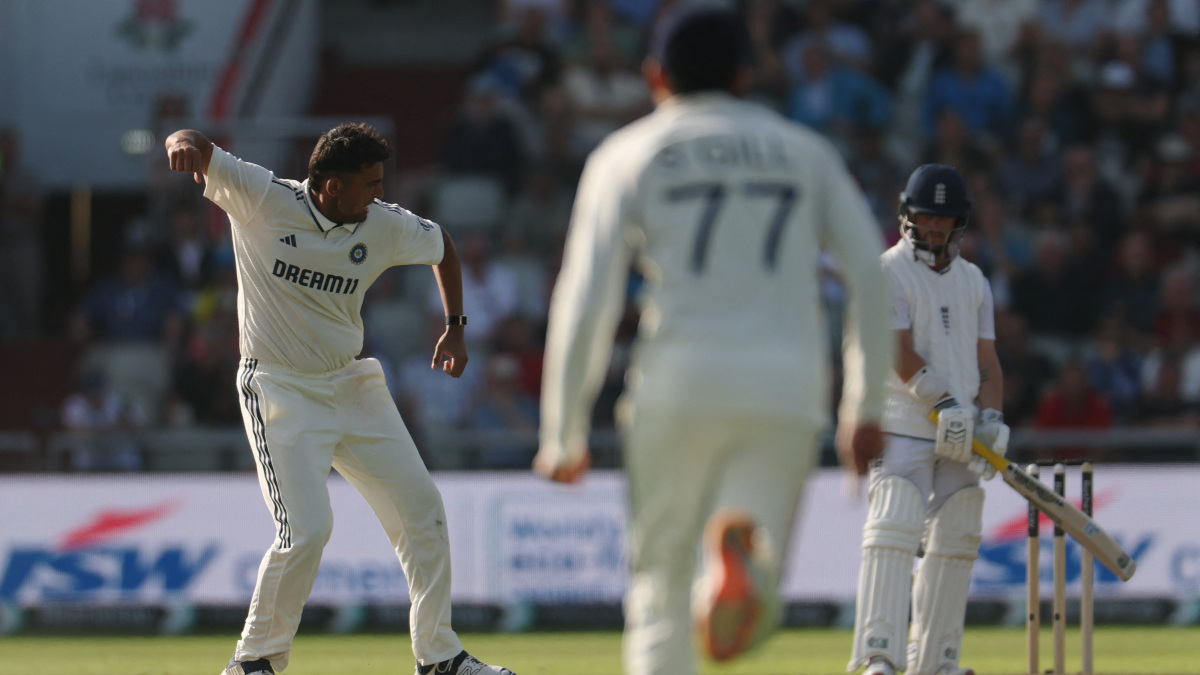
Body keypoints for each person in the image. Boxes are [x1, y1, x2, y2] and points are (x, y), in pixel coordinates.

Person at [532, 8, 894, 675]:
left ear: (655, 76)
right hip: (785, 390)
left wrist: (564, 431)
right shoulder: (804, 151)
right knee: (756, 573)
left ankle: (713, 589)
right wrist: (866, 406)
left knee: (659, 587)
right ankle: (742, 578)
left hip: (676, 385)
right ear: (745, 75)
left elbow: (585, 297)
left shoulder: (626, 154)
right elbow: (870, 276)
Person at [163, 123, 514, 675]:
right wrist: (180, 143)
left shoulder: (381, 223)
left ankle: (439, 657)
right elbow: (195, 143)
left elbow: (441, 243)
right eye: (370, 183)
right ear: (332, 187)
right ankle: (253, 661)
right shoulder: (262, 197)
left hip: (352, 386)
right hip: (279, 386)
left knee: (422, 509)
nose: (380, 193)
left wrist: (456, 326)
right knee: (305, 530)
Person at [848, 164, 1009, 675]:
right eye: (925, 216)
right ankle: (878, 656)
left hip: (960, 432)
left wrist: (990, 416)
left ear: (959, 222)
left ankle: (936, 660)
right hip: (902, 422)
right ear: (906, 215)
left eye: (943, 219)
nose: (934, 227)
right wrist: (944, 403)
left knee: (958, 532)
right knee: (894, 525)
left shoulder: (974, 281)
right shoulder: (887, 271)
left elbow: (987, 361)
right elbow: (895, 348)